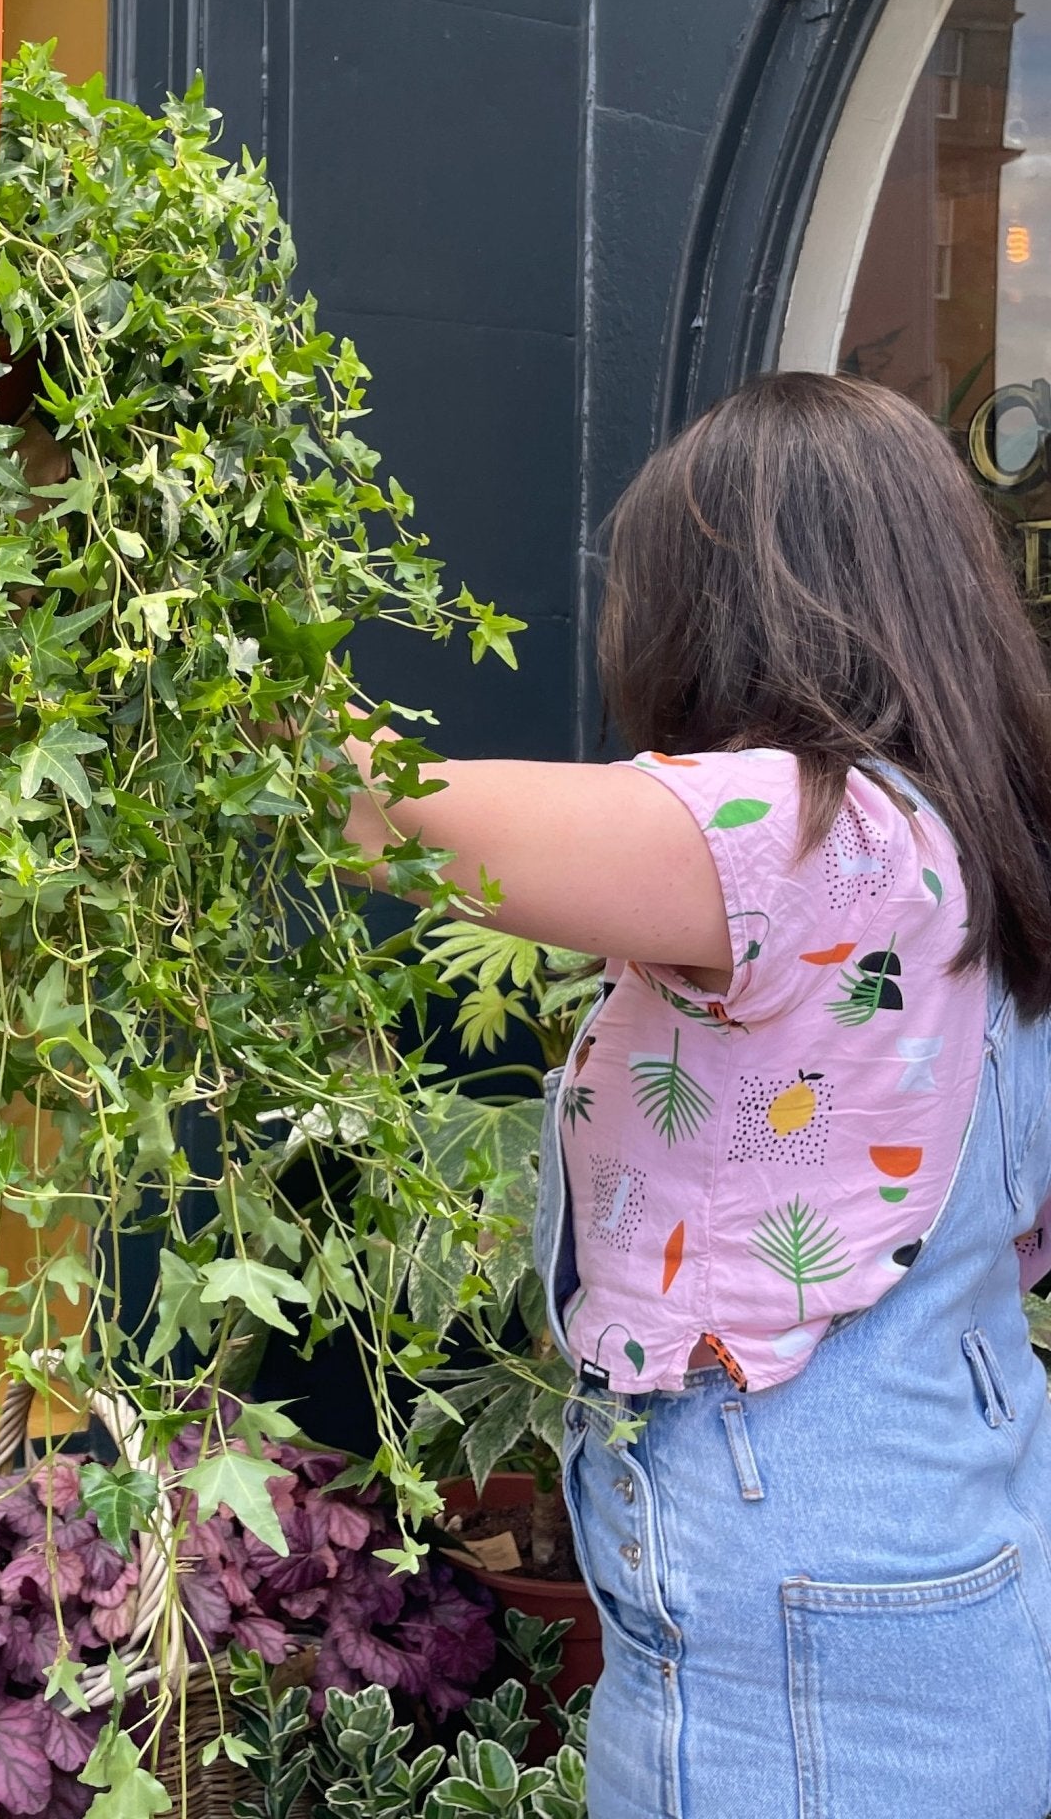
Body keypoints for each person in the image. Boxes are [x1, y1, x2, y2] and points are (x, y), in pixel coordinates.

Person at [347, 371, 1051, 1819]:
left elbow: (370, 809)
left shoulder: (808, 835)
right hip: (942, 1562)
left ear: (720, 606)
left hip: (808, 1623)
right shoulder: (978, 833)